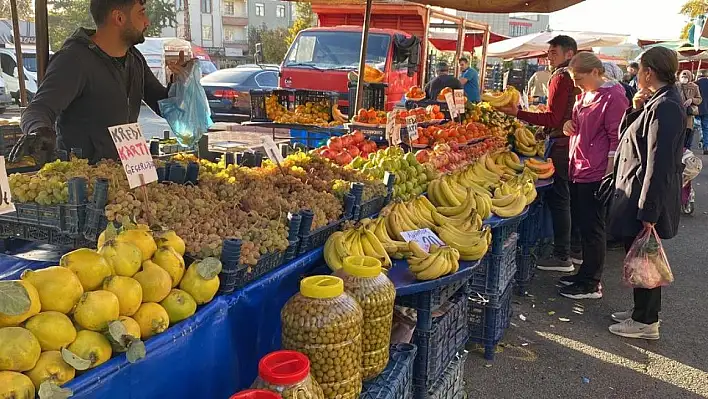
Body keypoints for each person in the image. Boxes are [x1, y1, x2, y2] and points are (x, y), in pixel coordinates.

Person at [11, 0, 189, 165]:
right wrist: (39, 130)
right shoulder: (74, 60)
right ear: (119, 18)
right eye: (141, 13)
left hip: (130, 170)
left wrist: (179, 81)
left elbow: (163, 105)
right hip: (87, 180)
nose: (147, 22)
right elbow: (38, 109)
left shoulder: (135, 59)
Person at [608, 47, 684, 340]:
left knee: (646, 258)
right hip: (638, 190)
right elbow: (629, 139)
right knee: (639, 254)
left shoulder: (667, 106)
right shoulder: (656, 102)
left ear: (648, 72)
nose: (635, 74)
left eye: (638, 69)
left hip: (645, 193)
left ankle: (646, 320)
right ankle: (641, 312)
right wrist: (636, 108)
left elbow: (660, 162)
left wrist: (649, 210)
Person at [499, 35, 579, 273]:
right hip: (571, 144)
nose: (548, 56)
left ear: (569, 54)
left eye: (553, 52)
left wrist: (519, 114)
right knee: (567, 198)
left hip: (561, 146)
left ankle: (562, 255)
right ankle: (574, 249)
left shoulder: (561, 77)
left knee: (560, 200)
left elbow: (554, 118)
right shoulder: (574, 77)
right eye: (549, 52)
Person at [558, 53, 628, 299]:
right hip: (578, 167)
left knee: (593, 227)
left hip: (596, 172)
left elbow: (616, 139)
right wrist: (568, 125)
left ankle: (591, 282)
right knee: (583, 224)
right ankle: (584, 273)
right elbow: (577, 126)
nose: (576, 82)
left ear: (596, 73)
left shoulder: (614, 97)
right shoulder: (585, 96)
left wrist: (608, 175)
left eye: (579, 77)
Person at [676, 70, 702, 149]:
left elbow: (699, 99)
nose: (684, 79)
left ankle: (686, 154)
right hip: (677, 114)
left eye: (686, 77)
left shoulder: (694, 87)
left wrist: (692, 100)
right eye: (682, 77)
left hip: (688, 116)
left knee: (687, 136)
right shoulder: (675, 86)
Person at [695, 69, 708, 154]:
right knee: (706, 127)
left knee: (696, 126)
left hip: (696, 109)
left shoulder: (695, 84)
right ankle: (706, 146)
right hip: (707, 109)